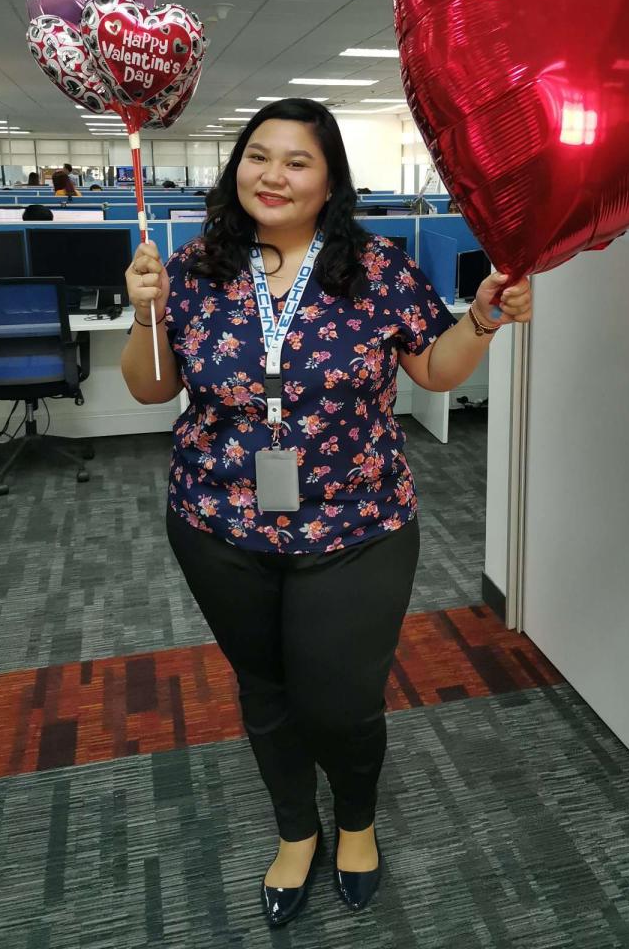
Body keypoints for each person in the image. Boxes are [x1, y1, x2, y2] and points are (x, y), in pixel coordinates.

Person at [121, 99, 531, 929]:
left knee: (340, 702)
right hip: (218, 522)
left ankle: (357, 821)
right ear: (236, 166)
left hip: (358, 525)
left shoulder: (377, 269)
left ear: (331, 179)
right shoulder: (194, 266)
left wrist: (484, 317)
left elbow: (435, 370)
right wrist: (146, 312)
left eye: (297, 161)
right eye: (257, 155)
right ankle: (295, 830)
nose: (272, 175)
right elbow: (152, 388)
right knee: (266, 690)